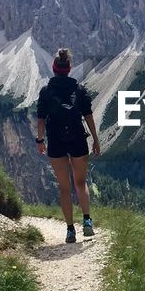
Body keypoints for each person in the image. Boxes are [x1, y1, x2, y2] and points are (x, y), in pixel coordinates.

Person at [35, 48, 100, 243]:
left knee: (64, 187)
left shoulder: (46, 91)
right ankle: (87, 221)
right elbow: (88, 115)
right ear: (69, 69)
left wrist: (40, 140)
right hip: (78, 139)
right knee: (80, 183)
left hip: (55, 141)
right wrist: (95, 139)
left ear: (54, 69)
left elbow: (41, 118)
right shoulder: (79, 89)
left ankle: (70, 230)